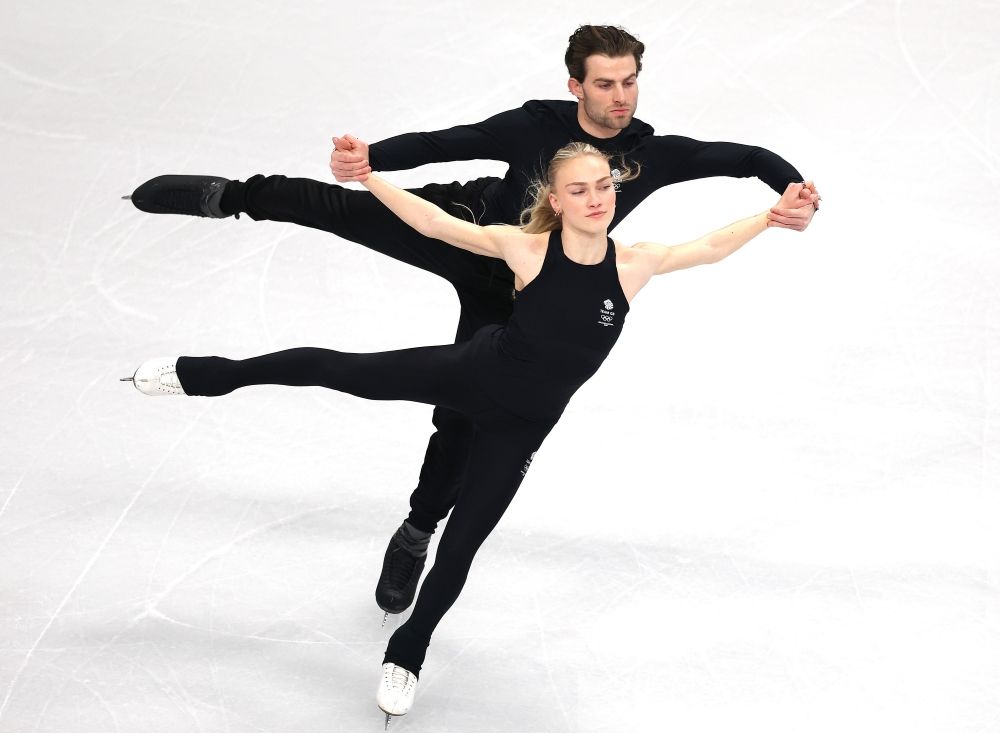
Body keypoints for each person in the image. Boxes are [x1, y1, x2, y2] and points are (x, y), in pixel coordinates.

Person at [125, 24, 821, 621]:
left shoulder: (651, 153)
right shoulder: (534, 125)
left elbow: (744, 159)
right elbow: (444, 141)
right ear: (575, 84)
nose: (621, 98)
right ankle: (229, 197)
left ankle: (418, 527)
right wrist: (372, 160)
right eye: (606, 84)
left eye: (630, 82)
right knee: (340, 207)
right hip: (469, 230)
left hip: (523, 292)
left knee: (458, 418)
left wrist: (790, 191)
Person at [125, 141, 814, 723]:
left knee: (462, 547)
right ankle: (205, 374)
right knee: (340, 370)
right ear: (559, 198)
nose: (597, 198)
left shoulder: (633, 263)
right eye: (581, 190)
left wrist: (769, 216)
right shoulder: (525, 247)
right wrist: (372, 180)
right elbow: (433, 225)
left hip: (520, 430)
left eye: (604, 185)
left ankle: (408, 651)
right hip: (471, 374)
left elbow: (712, 246)